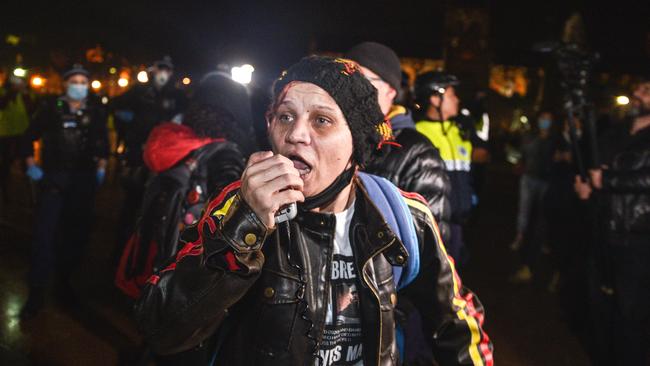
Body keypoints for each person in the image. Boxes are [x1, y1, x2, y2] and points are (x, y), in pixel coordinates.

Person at [135, 56, 492, 366]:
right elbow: (161, 328)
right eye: (285, 116)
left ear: (357, 146)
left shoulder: (402, 215)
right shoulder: (236, 206)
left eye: (322, 120)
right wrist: (245, 224)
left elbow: (457, 326)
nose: (296, 135)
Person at [19, 64, 109, 319]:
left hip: (83, 183)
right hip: (54, 180)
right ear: (66, 84)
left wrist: (101, 169)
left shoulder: (96, 112)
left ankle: (65, 285)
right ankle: (36, 291)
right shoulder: (51, 109)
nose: (79, 85)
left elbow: (103, 146)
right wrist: (30, 165)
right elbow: (28, 138)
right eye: (75, 81)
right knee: (44, 235)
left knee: (75, 236)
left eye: (83, 81)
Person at [345, 41, 452, 245]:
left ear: (390, 91)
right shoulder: (329, 139)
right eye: (346, 79)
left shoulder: (419, 155)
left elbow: (428, 243)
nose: (352, 89)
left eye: (364, 80)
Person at [574, 80, 650, 366]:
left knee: (631, 314)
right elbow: (596, 169)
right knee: (599, 308)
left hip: (638, 237)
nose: (637, 94)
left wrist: (608, 181)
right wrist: (588, 189)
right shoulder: (617, 132)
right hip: (603, 232)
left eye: (646, 91)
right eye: (638, 89)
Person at [111, 56, 188, 259]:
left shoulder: (178, 96)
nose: (163, 73)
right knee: (131, 204)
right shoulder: (140, 92)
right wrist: (127, 125)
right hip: (138, 157)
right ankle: (121, 251)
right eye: (160, 68)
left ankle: (146, 253)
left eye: (167, 70)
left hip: (164, 161)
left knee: (157, 208)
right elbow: (115, 104)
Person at [413, 71, 474, 263]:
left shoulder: (458, 131)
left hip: (457, 223)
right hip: (431, 227)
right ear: (434, 99)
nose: (457, 99)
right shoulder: (417, 133)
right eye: (451, 95)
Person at [508, 111, 556, 283]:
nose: (545, 122)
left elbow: (553, 159)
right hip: (529, 177)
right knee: (524, 208)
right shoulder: (531, 136)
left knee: (543, 212)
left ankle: (541, 240)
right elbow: (522, 153)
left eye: (548, 119)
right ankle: (520, 236)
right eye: (543, 119)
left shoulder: (554, 140)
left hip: (545, 180)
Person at [0, 69, 34, 204]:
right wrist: (12, 92)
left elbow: (31, 109)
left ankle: (30, 194)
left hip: (22, 134)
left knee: (26, 164)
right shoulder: (3, 92)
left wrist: (25, 93)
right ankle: (4, 193)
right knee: (6, 164)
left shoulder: (24, 94)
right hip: (6, 134)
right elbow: (2, 104)